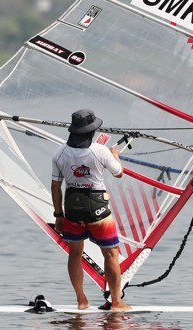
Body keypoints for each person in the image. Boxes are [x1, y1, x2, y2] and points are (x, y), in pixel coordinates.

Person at [51, 109, 130, 311]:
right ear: (91, 131)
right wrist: (114, 155)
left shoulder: (59, 153)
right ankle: (117, 302)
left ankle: (81, 301)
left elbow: (55, 186)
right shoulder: (101, 151)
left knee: (75, 254)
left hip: (72, 212)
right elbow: (119, 173)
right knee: (111, 255)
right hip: (98, 213)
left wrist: (58, 215)